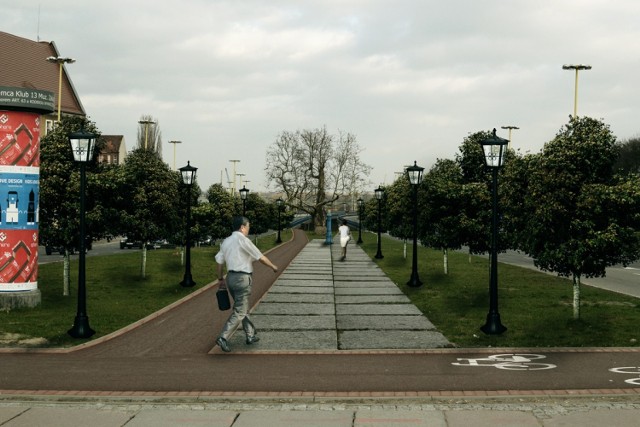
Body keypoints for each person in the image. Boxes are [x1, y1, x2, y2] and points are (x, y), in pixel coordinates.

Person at [215, 216, 278, 352]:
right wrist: (273, 266)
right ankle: (223, 337)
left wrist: (220, 279)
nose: (249, 229)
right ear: (242, 227)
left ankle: (250, 335)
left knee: (242, 306)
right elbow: (260, 257)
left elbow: (219, 262)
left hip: (230, 278)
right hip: (242, 278)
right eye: (248, 226)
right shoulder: (243, 240)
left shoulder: (226, 241)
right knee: (240, 310)